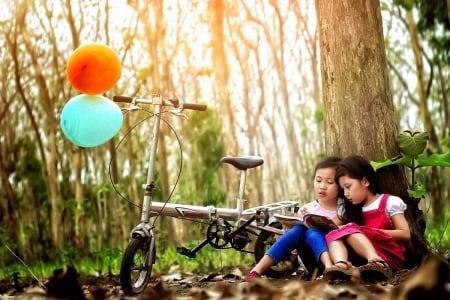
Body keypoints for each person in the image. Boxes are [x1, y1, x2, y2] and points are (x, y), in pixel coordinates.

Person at [244, 156, 342, 282]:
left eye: (329, 182)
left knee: (313, 232)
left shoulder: (343, 209)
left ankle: (330, 268)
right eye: (318, 180)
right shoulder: (306, 209)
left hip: (336, 259)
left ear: (341, 184)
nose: (322, 186)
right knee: (298, 229)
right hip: (311, 263)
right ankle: (256, 271)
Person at [324, 155, 411, 280]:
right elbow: (330, 226)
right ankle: (341, 265)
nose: (346, 193)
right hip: (361, 261)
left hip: (387, 256)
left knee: (351, 229)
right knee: (335, 232)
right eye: (343, 189)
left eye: (348, 187)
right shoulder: (348, 209)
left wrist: (369, 232)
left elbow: (405, 234)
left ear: (365, 181)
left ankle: (375, 261)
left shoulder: (389, 202)